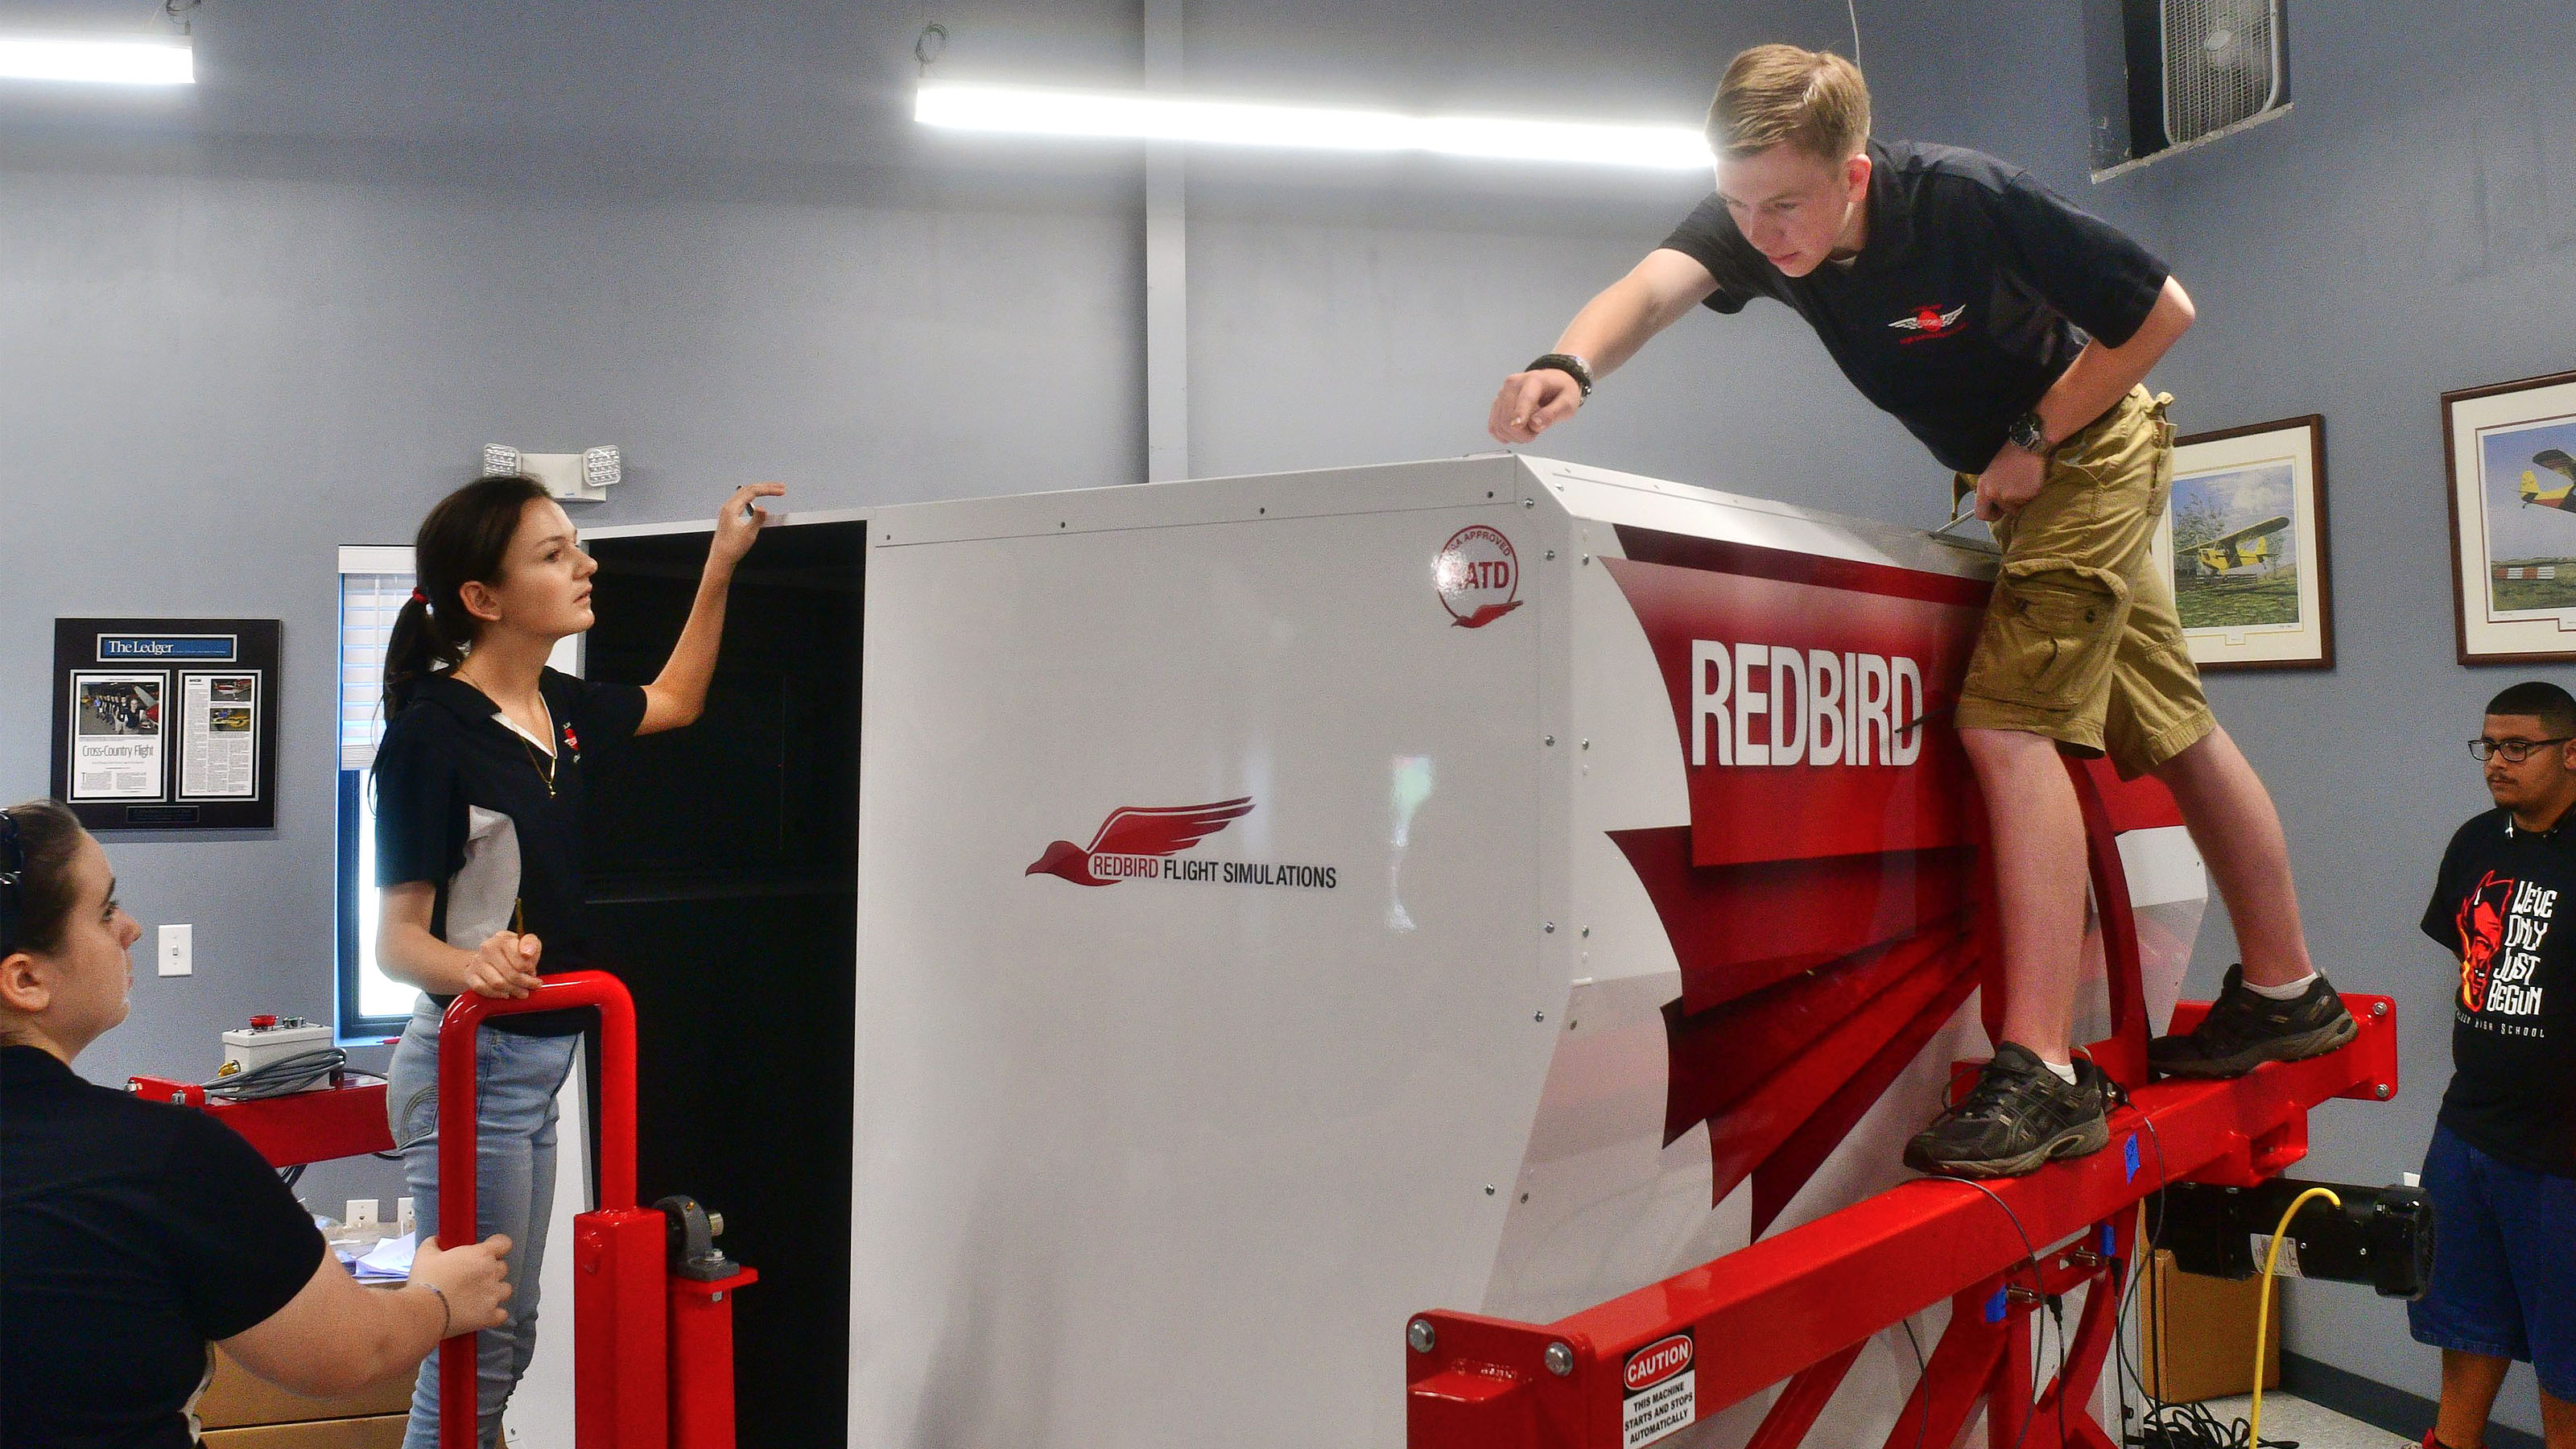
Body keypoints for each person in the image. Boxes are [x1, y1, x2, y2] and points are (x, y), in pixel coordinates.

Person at [1485, 43, 2354, 1178]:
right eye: (1742, 206)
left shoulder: (1960, 198)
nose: (1762, 234)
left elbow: (2163, 310)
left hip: (2085, 449)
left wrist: (2033, 436)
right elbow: (1654, 287)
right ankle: (2287, 989)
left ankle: (2037, 1067)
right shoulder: (1756, 219)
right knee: (2172, 732)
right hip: (2029, 476)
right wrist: (1569, 362)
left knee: (2005, 726)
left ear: (1854, 176)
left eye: (1785, 206)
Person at [373, 473, 781, 1447]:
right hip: (472, 1069)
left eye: (575, 546)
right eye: (553, 554)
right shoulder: (433, 733)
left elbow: (677, 700)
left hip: (535, 1065)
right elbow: (398, 945)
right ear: (482, 600)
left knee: (506, 1336)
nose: (584, 564)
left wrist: (721, 561)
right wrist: (473, 968)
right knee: (476, 1341)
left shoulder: (551, 705)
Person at [0, 799, 514, 1448]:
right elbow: (348, 1349)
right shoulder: (164, 1156)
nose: (129, 928)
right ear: (26, 980)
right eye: (105, 911)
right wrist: (439, 1299)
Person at [2411, 682, 2576, 1449]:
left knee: (2566, 1345)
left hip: (2563, 1149)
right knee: (2464, 1313)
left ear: (2571, 752)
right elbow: (2474, 956)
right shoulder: (2477, 840)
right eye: (2488, 746)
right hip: (2469, 1123)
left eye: (2518, 748)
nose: (2496, 764)